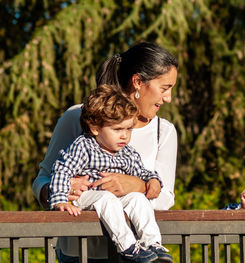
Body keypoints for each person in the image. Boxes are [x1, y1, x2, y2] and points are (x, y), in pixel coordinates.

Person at [32, 42, 178, 262]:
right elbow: (42, 179)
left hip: (141, 257)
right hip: (79, 253)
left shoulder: (163, 131)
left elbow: (166, 197)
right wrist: (59, 189)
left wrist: (136, 185)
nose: (168, 98)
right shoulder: (76, 117)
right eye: (164, 88)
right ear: (138, 82)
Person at [49, 84, 172, 263]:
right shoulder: (84, 146)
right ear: (96, 128)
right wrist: (60, 200)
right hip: (86, 195)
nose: (124, 136)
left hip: (113, 200)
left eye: (128, 129)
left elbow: (142, 171)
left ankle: (152, 243)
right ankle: (128, 247)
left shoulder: (127, 152)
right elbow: (62, 169)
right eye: (117, 130)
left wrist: (153, 180)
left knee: (138, 199)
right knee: (105, 198)